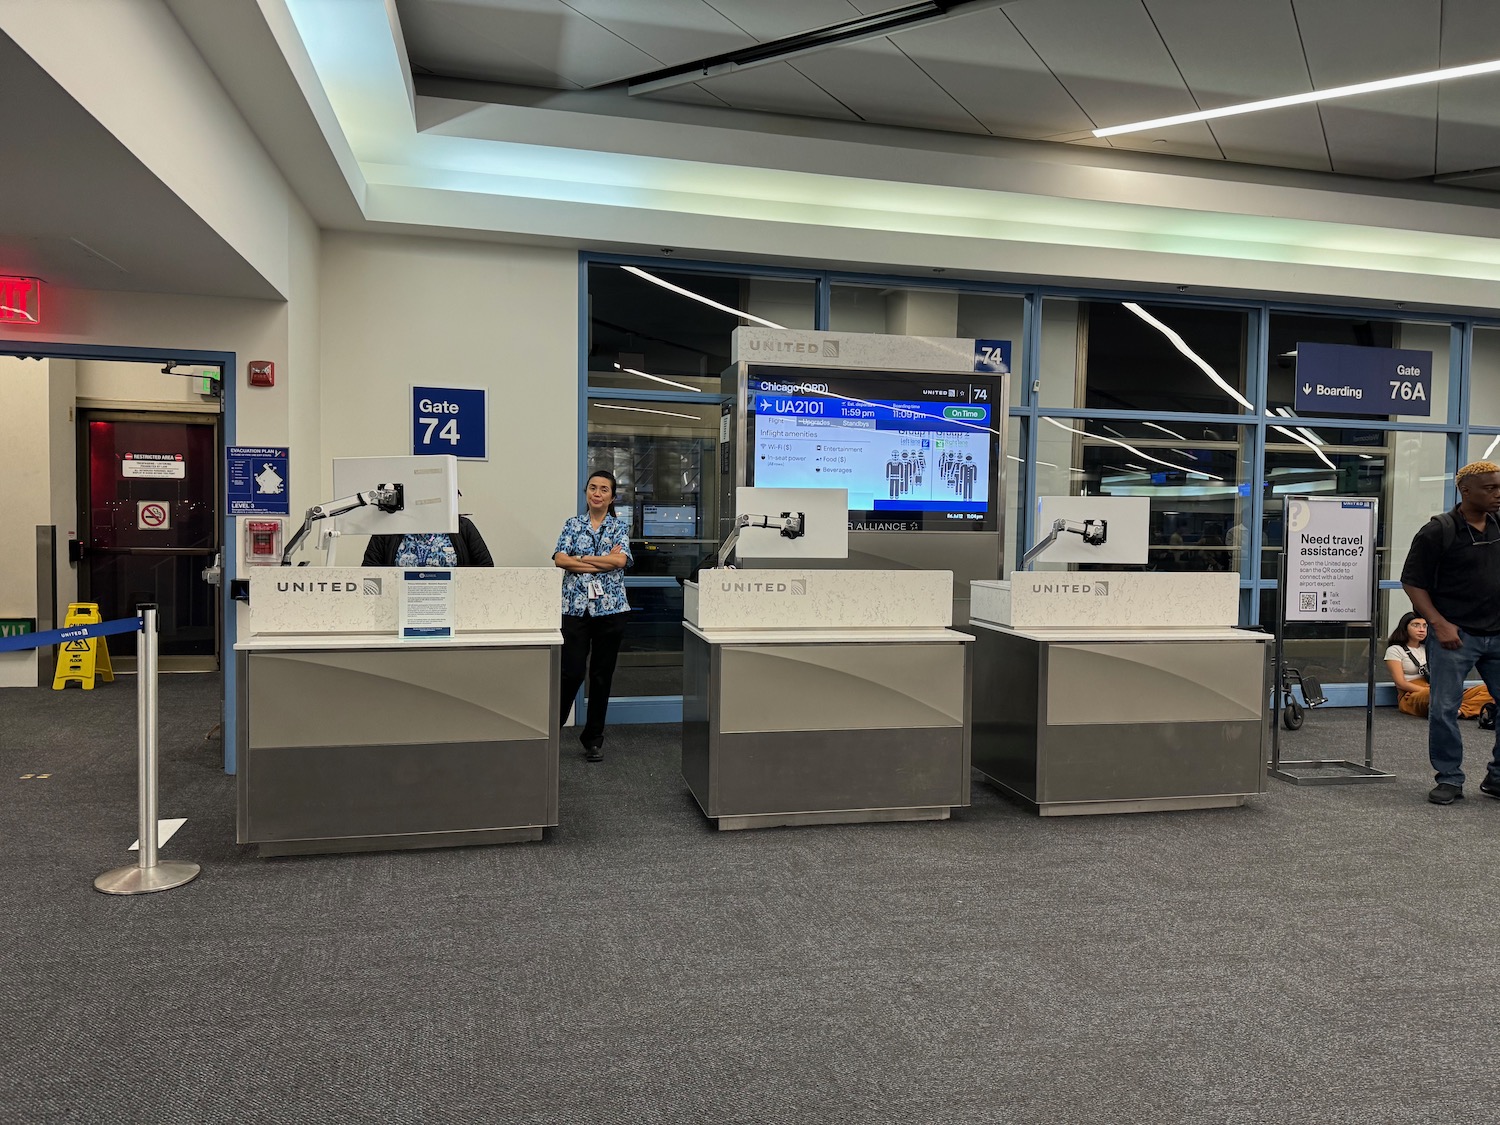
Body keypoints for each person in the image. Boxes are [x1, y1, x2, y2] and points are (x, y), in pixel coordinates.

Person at [1399, 460, 1500, 804]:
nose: (1498, 494)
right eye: (1490, 488)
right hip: (1455, 636)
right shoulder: (1438, 530)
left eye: (1499, 487)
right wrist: (1439, 624)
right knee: (1444, 707)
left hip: (1497, 633)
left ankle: (1497, 777)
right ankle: (1450, 778)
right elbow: (1412, 582)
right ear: (1465, 491)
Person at [553, 470, 632, 762]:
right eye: (592, 488)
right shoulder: (572, 525)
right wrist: (601, 563)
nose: (596, 494)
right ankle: (551, 729)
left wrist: (581, 561)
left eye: (603, 490)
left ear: (612, 497)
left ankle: (593, 739)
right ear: (586, 492)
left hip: (611, 610)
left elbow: (621, 560)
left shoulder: (618, 527)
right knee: (570, 672)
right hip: (574, 609)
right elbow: (561, 559)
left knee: (601, 676)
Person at [1383, 611, 1493, 719]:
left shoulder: (1428, 647)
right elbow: (1401, 683)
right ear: (1405, 628)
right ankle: (1461, 707)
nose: (1421, 629)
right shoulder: (1395, 650)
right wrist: (1433, 691)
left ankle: (1460, 711)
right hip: (1412, 694)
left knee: (1488, 690)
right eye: (1415, 625)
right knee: (1436, 696)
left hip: (1436, 688)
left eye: (1425, 626)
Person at [362, 511, 493, 567]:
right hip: (397, 608)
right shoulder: (388, 528)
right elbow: (369, 572)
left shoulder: (462, 527)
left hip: (454, 607)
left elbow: (485, 569)